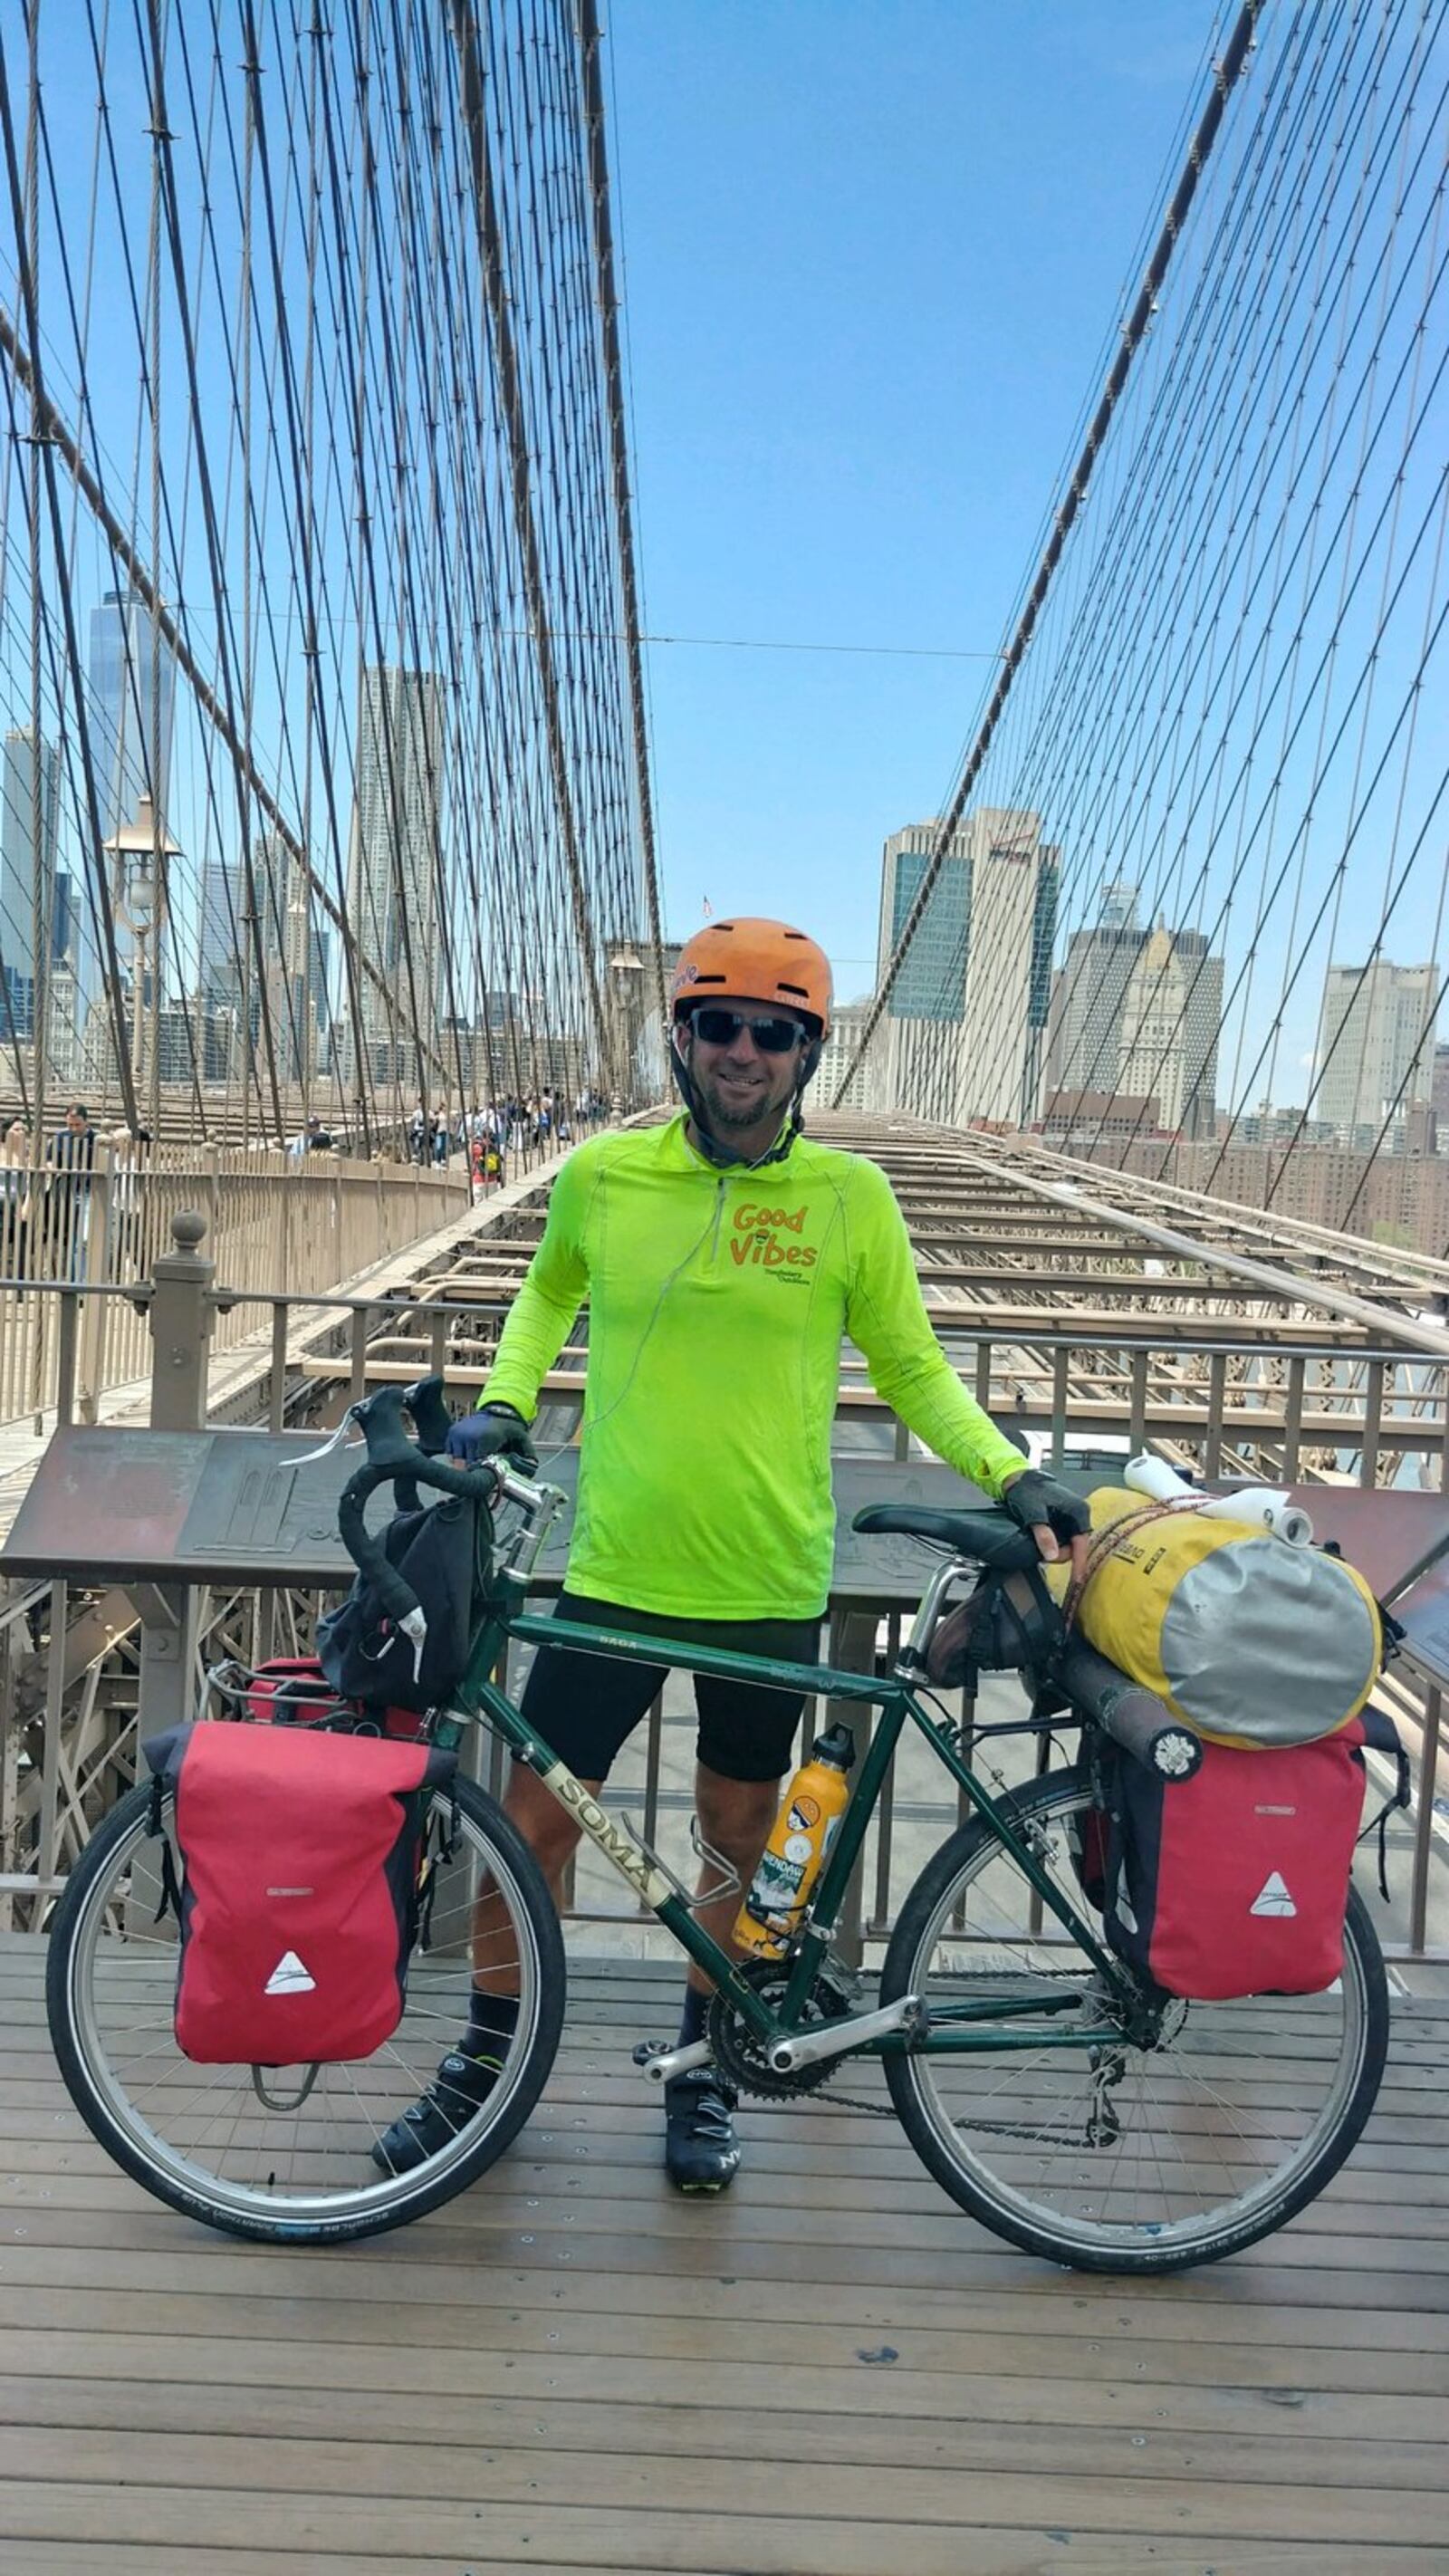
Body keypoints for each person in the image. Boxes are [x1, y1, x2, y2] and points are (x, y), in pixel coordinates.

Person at [375, 917, 1089, 2193]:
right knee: (527, 1830)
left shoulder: (850, 1199)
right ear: (684, 1040)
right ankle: (484, 2069)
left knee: (731, 1841)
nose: (744, 1050)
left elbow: (916, 1367)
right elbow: (546, 1292)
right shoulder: (605, 1177)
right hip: (615, 1571)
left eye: (775, 1031)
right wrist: (504, 1401)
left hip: (765, 1579)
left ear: (808, 1052)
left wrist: (1013, 1470)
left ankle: (704, 2071)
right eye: (720, 1025)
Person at [45, 1104, 95, 1281]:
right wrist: (55, 1169)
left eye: (77, 1125)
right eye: (70, 1125)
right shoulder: (60, 1137)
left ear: (86, 1122)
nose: (73, 1129)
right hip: (64, 1194)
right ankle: (70, 1279)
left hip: (88, 1193)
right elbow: (49, 1161)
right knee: (62, 1237)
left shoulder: (96, 1139)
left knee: (81, 1241)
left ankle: (79, 1283)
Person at [0, 1118, 31, 1287]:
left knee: (21, 1245)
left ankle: (19, 1285)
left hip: (18, 1202)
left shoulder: (27, 1154)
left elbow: (33, 1183)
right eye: (17, 1129)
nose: (21, 1133)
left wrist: (27, 1204)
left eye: (23, 1130)